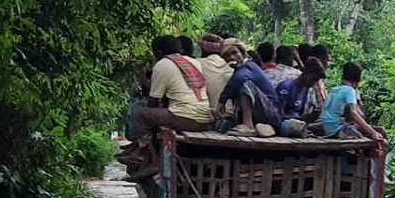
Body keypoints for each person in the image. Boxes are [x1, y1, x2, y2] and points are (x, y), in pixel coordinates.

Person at [117, 35, 213, 179]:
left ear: (159, 52)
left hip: (185, 117)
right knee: (152, 115)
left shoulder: (162, 65)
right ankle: (137, 149)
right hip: (205, 118)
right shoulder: (193, 62)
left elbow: (153, 102)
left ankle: (148, 158)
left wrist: (146, 84)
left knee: (139, 113)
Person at [320, 62, 384, 146]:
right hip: (338, 129)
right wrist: (373, 133)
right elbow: (354, 113)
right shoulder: (349, 90)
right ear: (358, 79)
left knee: (380, 130)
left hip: (328, 128)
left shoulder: (334, 89)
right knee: (371, 141)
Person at [216, 55, 281, 137]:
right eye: (227, 55)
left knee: (244, 83)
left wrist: (222, 101)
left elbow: (240, 78)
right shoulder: (236, 71)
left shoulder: (248, 66)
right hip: (259, 113)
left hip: (271, 113)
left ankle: (248, 125)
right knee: (221, 125)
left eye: (234, 52)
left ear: (242, 53)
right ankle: (261, 126)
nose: (232, 57)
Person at [275, 57, 326, 128]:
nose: (313, 84)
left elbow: (301, 114)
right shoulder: (286, 87)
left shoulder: (306, 89)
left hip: (299, 122)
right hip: (284, 124)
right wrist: (300, 119)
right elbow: (278, 116)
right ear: (306, 72)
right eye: (313, 79)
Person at [196, 33, 234, 117]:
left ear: (202, 50)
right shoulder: (231, 67)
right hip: (231, 114)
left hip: (209, 115)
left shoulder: (196, 64)